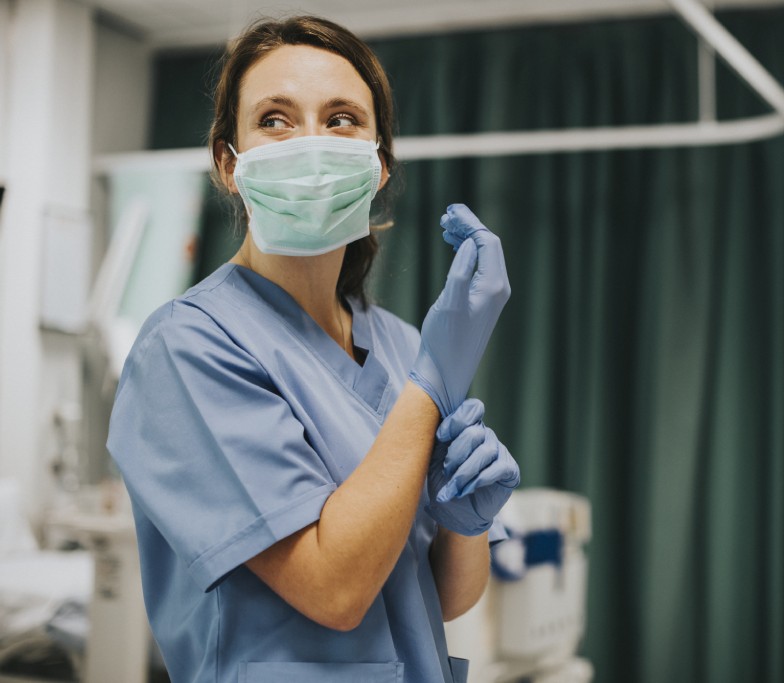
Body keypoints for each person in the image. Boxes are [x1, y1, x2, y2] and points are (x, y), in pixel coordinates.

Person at [106, 15, 519, 683]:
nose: (310, 144)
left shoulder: (402, 347)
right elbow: (335, 589)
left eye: (341, 119)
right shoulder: (186, 349)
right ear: (227, 163)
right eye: (274, 119)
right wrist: (433, 384)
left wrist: (465, 520)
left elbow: (434, 597)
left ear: (378, 165)